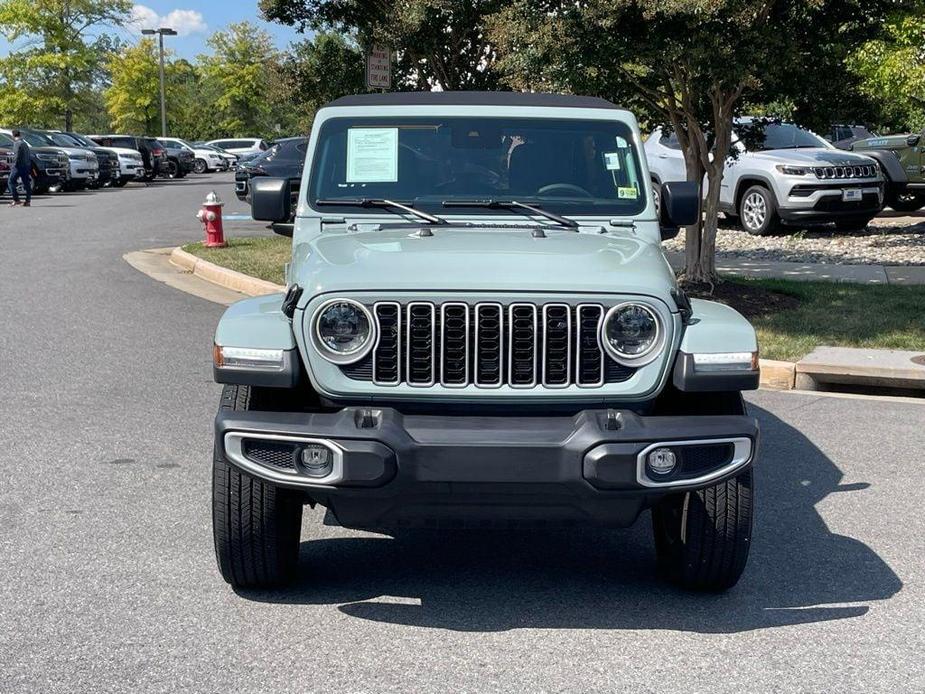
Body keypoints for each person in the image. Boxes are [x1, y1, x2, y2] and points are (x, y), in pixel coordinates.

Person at [8, 129, 32, 207]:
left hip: (18, 166)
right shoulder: (24, 144)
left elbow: (16, 156)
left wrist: (13, 165)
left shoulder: (17, 143)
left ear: (13, 135)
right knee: (26, 183)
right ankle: (28, 201)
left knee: (11, 181)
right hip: (26, 166)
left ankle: (16, 200)